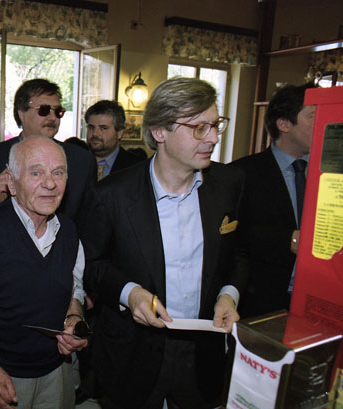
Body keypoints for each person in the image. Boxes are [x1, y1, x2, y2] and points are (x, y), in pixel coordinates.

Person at [80, 77, 247, 409]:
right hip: (133, 352)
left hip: (204, 351)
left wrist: (229, 295)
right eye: (199, 128)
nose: (213, 138)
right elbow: (92, 266)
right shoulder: (112, 194)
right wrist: (131, 293)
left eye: (215, 125)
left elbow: (239, 253)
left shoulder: (230, 183)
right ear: (159, 132)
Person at [0, 136, 88, 409]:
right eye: (36, 173)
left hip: (57, 374)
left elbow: (75, 288)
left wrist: (74, 317)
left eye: (58, 173)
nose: (50, 183)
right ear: (11, 182)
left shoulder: (69, 233)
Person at [0, 78, 96, 229]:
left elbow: (91, 222)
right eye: (44, 110)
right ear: (21, 113)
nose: (52, 118)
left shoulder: (81, 160)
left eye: (58, 111)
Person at [231, 83, 316, 318]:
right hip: (261, 301)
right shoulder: (241, 173)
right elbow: (232, 236)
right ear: (284, 124)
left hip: (318, 297)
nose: (323, 124)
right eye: (312, 116)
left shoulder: (330, 174)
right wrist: (287, 240)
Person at [85, 100, 144, 180]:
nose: (95, 133)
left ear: (119, 133)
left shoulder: (137, 167)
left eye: (103, 128)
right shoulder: (74, 161)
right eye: (91, 127)